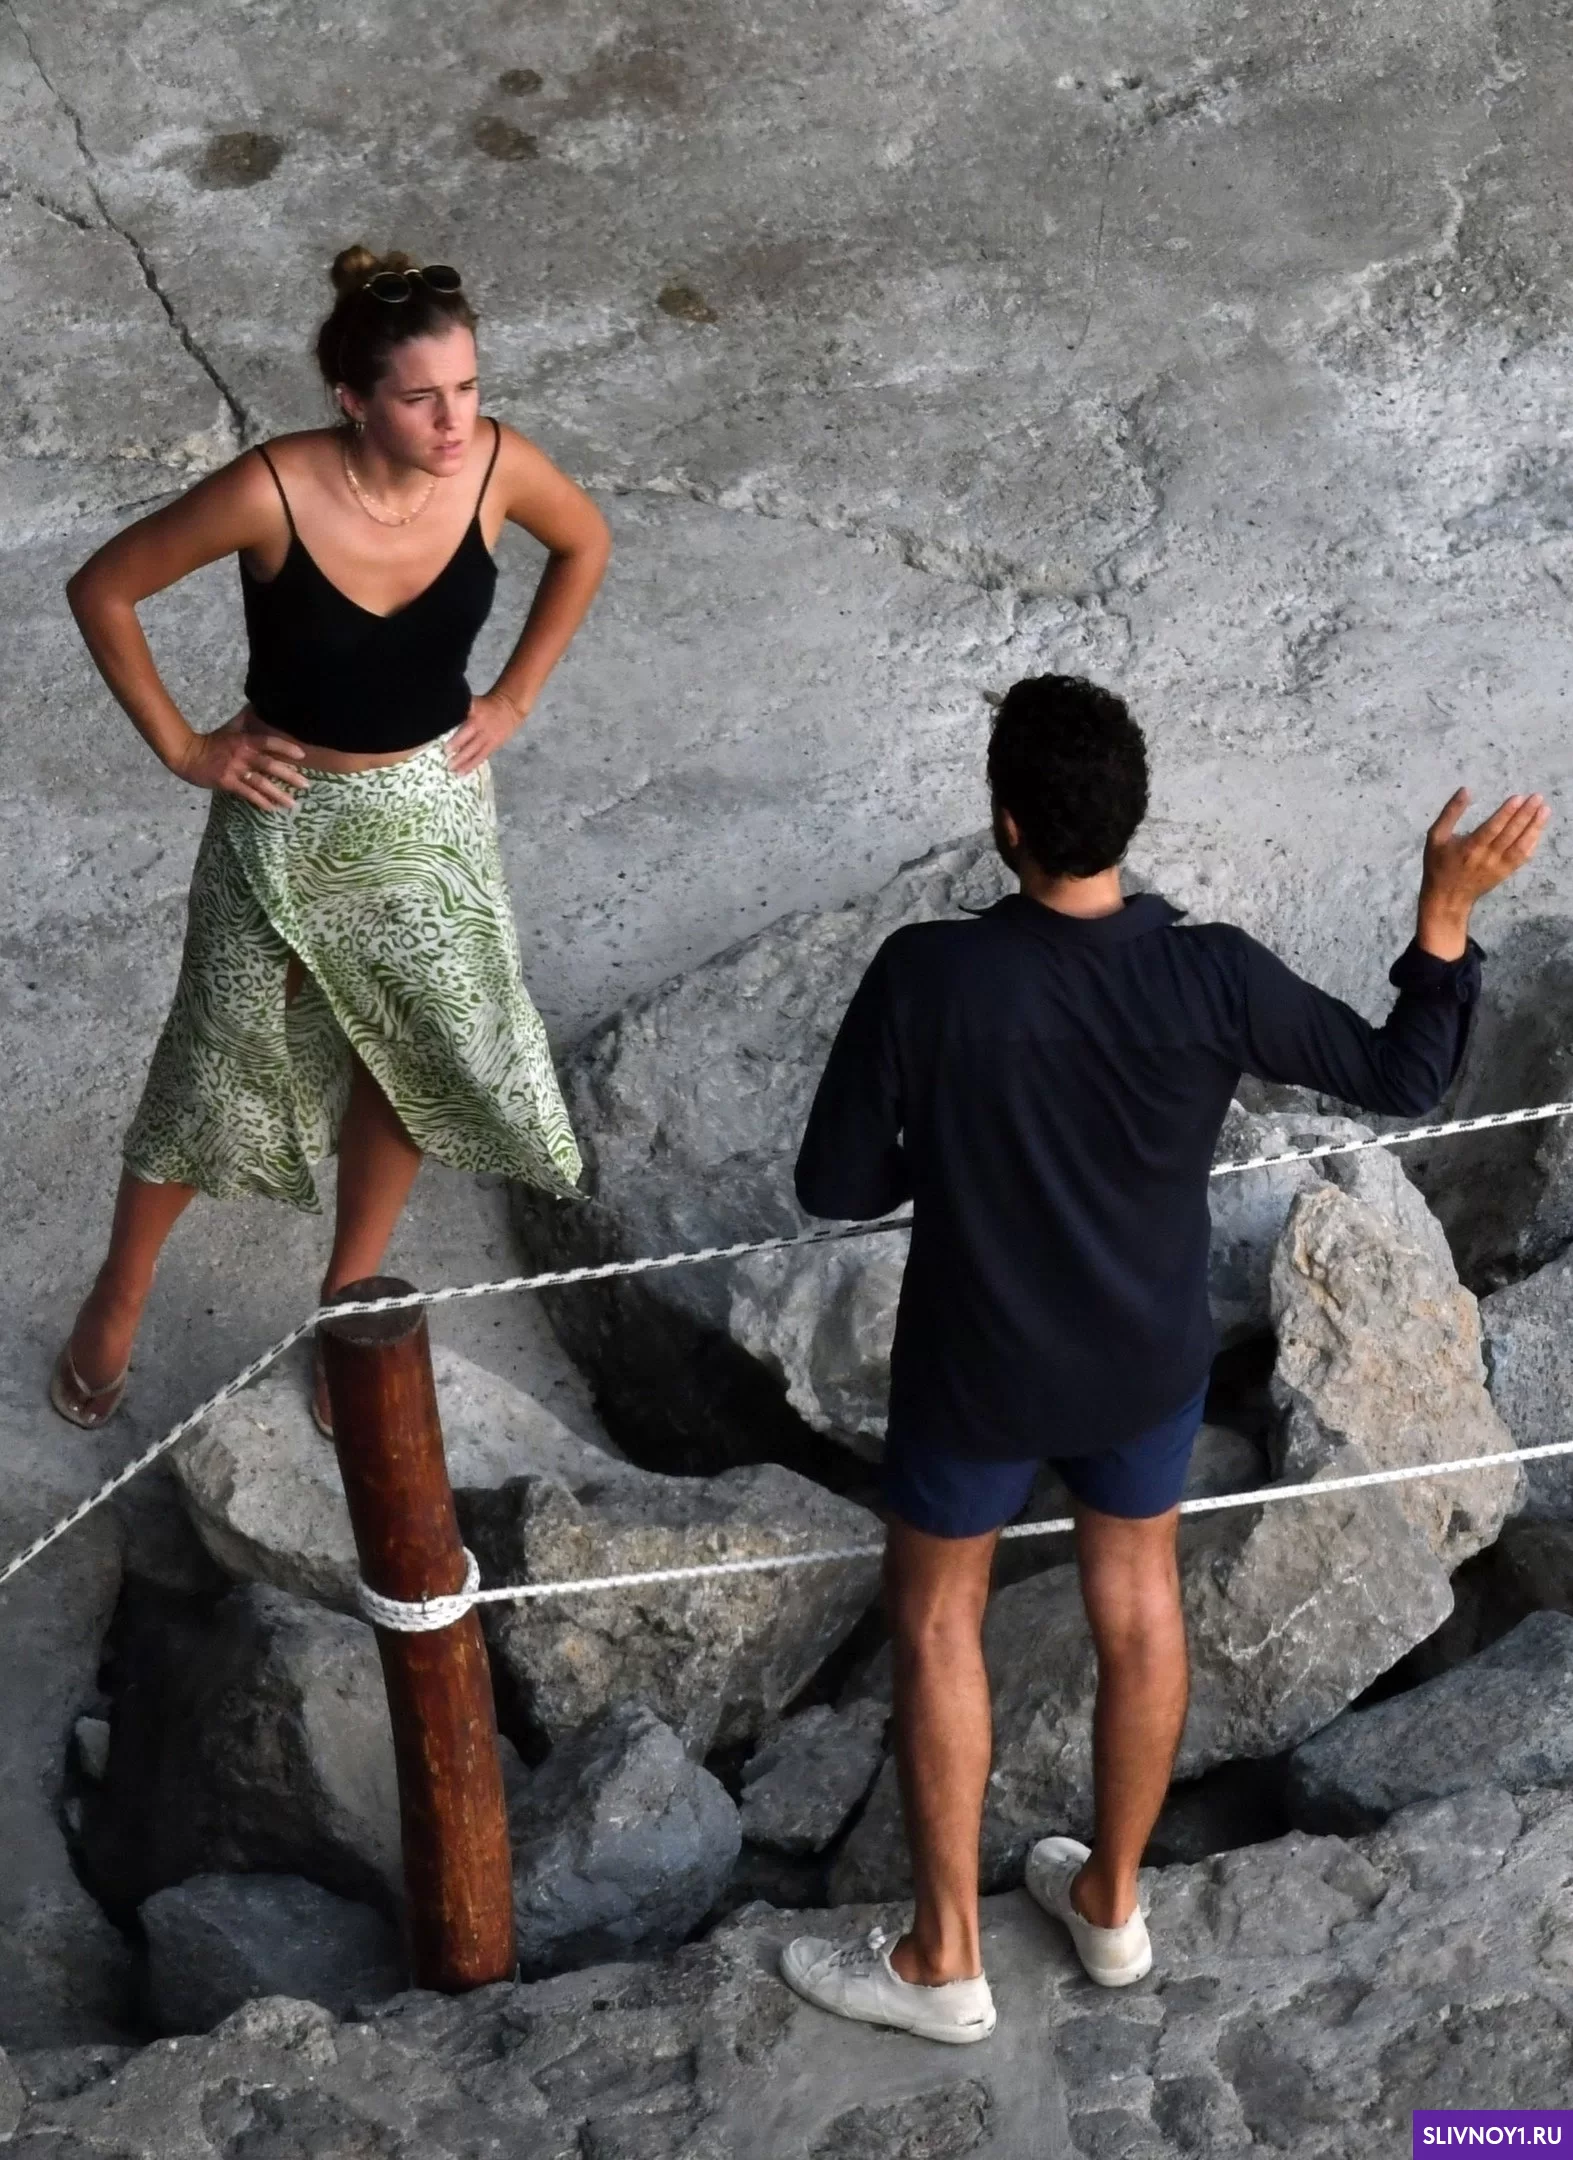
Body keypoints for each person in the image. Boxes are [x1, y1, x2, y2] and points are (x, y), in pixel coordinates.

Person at [778, 673, 1548, 2044]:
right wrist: (1441, 915)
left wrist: (945, 1154)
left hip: (972, 1367)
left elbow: (833, 1185)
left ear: (1006, 823)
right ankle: (1113, 1906)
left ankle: (943, 1960)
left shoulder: (928, 973)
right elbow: (1401, 1076)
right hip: (1141, 1361)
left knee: (939, 1621)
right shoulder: (1212, 973)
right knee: (1138, 1610)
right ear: (1129, 819)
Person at [51, 247, 611, 1439]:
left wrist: (514, 696)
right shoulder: (272, 490)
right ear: (353, 400)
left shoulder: (497, 465)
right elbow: (103, 590)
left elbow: (585, 544)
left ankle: (346, 1297)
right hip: (282, 814)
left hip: (430, 818)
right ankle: (121, 1292)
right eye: (421, 398)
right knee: (215, 1059)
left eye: (467, 388)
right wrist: (185, 747)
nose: (454, 422)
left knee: (409, 1053)